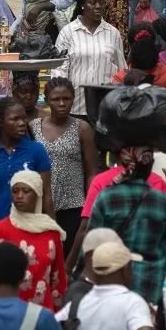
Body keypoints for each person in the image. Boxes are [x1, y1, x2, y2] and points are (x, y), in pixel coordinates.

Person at [80, 147, 166, 306]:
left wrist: (76, 280)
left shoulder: (105, 199)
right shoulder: (164, 202)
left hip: (114, 294)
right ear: (150, 165)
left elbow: (88, 248)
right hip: (154, 294)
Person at [0, 96, 52, 253]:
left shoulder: (36, 151)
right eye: (15, 119)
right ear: (0, 123)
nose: (22, 123)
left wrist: (53, 234)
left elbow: (46, 195)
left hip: (31, 236)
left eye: (23, 118)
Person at [36, 75, 98, 245]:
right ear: (47, 100)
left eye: (66, 99)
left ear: (73, 99)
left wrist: (90, 205)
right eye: (56, 99)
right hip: (40, 205)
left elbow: (91, 171)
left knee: (68, 256)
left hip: (73, 206)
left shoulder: (82, 128)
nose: (61, 104)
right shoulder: (34, 127)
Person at [57, 0, 125, 116]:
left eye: (102, 2)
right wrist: (62, 98)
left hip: (106, 107)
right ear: (82, 5)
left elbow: (121, 69)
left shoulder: (113, 33)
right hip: (76, 107)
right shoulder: (68, 32)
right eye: (93, 2)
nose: (98, 6)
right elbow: (59, 69)